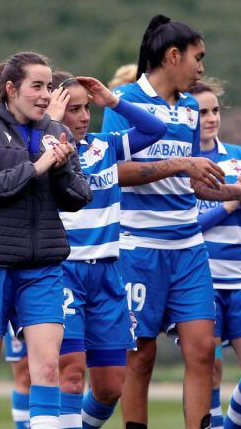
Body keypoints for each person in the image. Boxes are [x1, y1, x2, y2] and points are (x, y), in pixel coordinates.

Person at [109, 14, 241, 429]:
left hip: (187, 248)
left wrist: (240, 192)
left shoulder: (188, 109)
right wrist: (179, 163)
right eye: (197, 59)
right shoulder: (124, 100)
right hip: (140, 248)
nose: (201, 69)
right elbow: (114, 171)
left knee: (202, 350)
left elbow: (194, 182)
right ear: (173, 56)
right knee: (141, 354)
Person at [0, 51, 92, 429]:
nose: (46, 94)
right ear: (11, 89)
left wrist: (61, 171)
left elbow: (79, 197)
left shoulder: (58, 133)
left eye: (49, 86)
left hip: (42, 267)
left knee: (47, 368)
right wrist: (36, 167)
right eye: (37, 86)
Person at [46, 71, 168, 428]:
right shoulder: (42, 150)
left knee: (111, 386)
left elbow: (155, 130)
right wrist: (51, 126)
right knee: (70, 373)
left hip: (108, 275)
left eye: (87, 108)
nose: (85, 117)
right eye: (74, 109)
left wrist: (113, 100)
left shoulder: (103, 146)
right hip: (65, 272)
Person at [188, 79, 241, 429]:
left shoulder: (239, 156)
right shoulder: (182, 162)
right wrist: (230, 202)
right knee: (210, 369)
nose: (209, 118)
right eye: (200, 112)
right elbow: (186, 225)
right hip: (200, 277)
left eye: (214, 111)